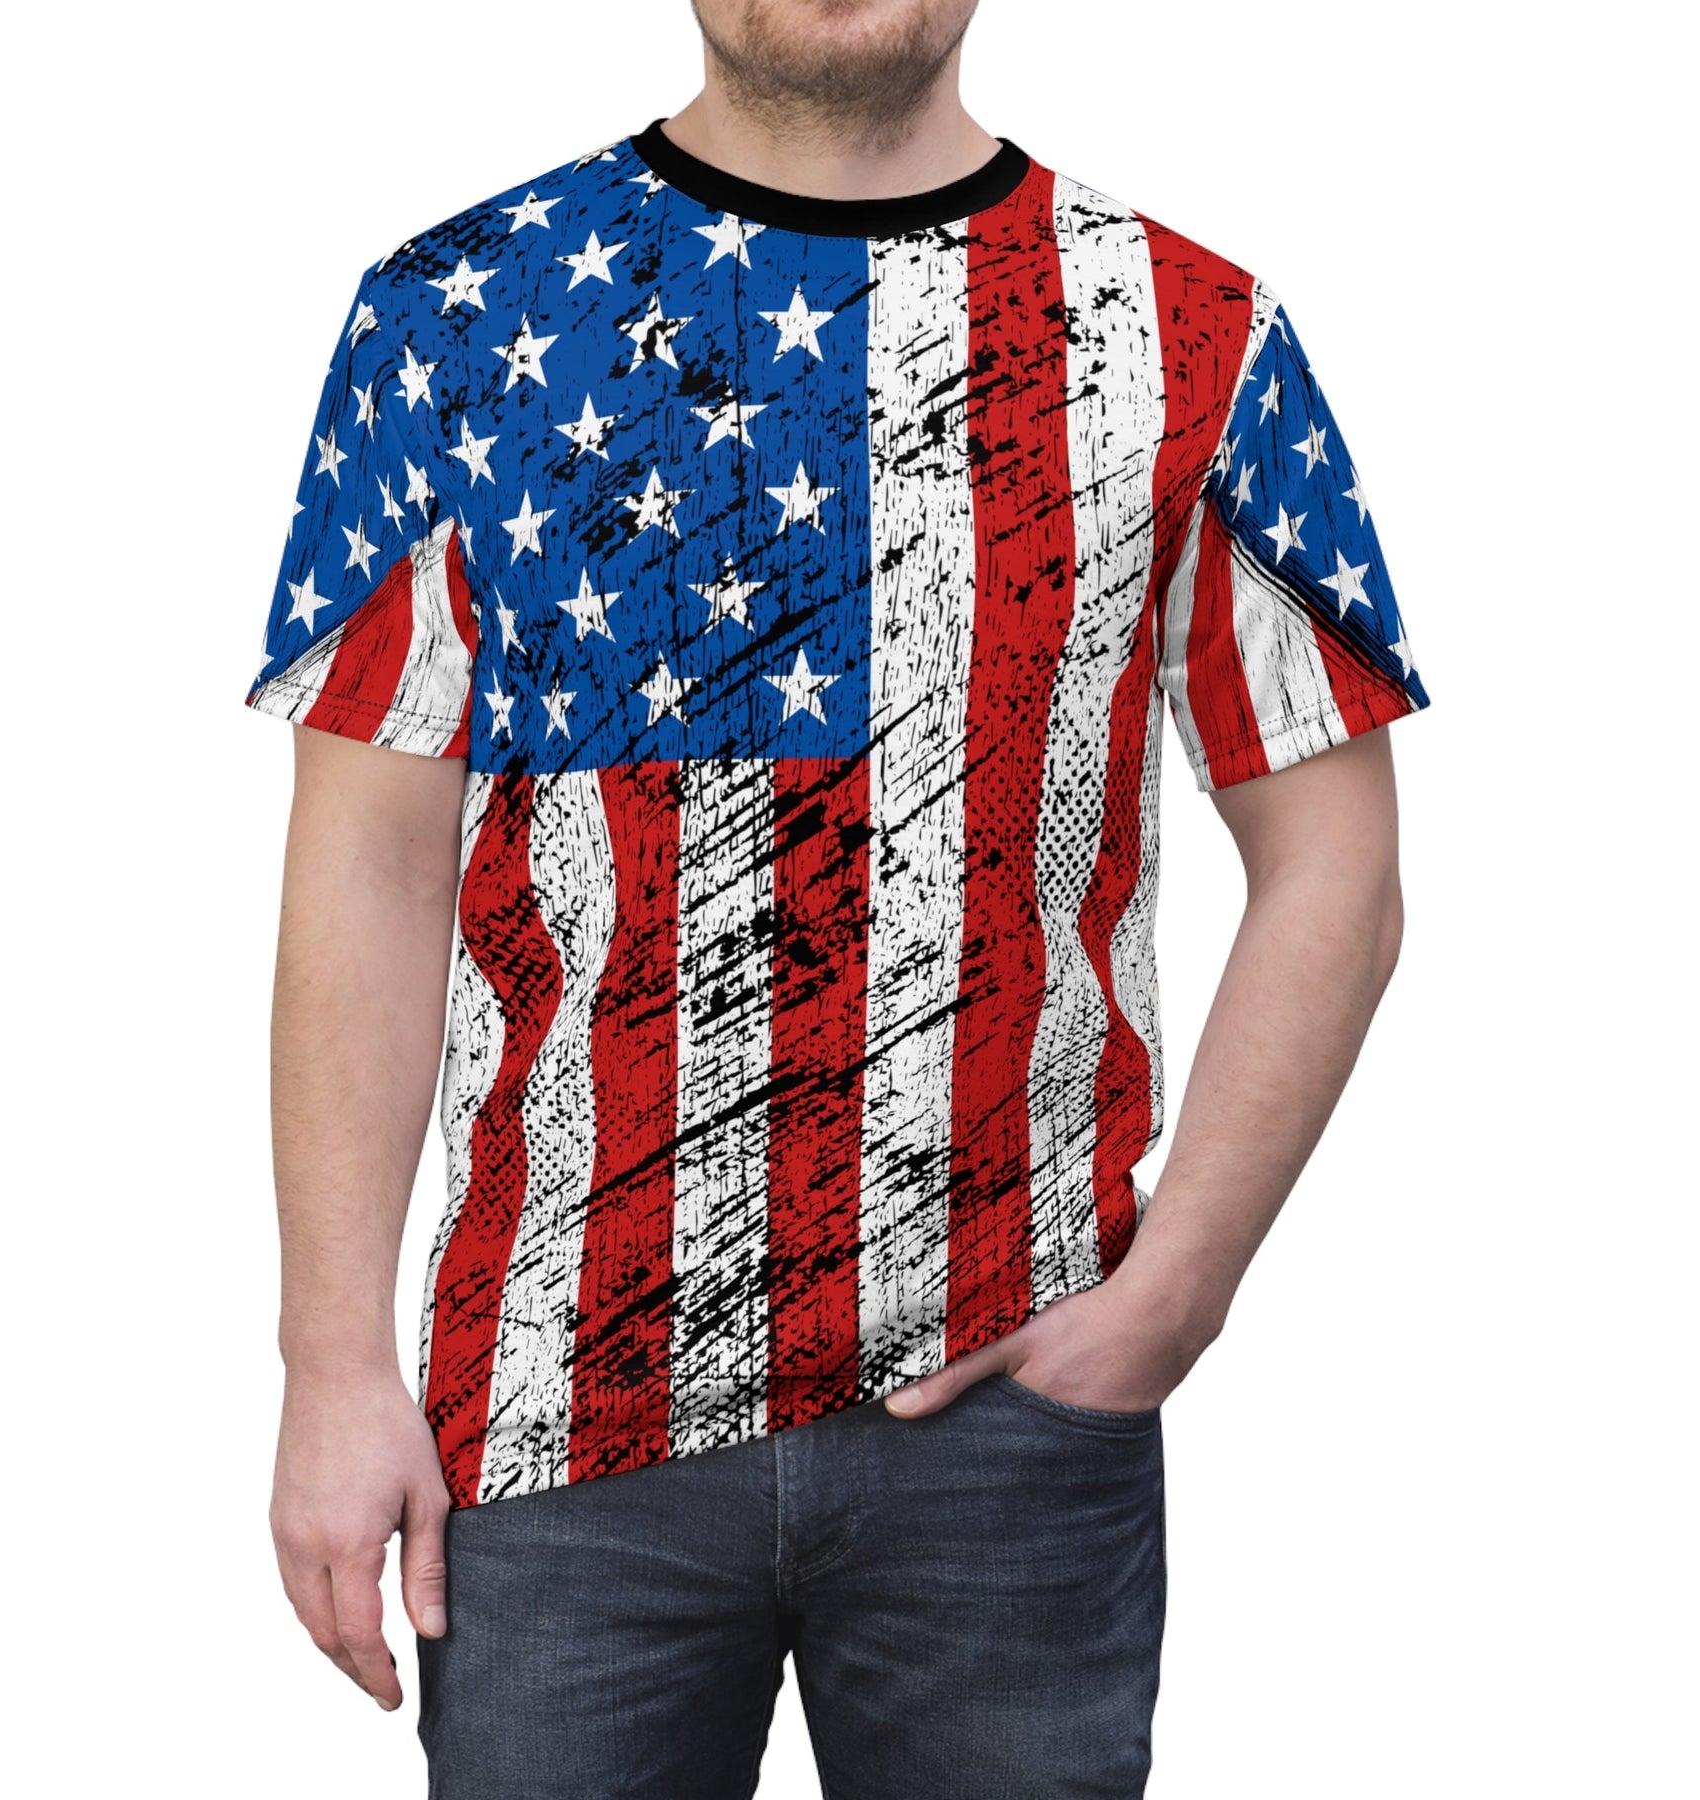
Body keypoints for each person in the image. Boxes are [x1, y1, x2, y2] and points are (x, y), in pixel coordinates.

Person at [248, 3, 1428, 1793]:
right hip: (555, 1428)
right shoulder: (457, 315)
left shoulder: (1192, 330)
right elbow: (371, 863)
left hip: (1015, 1420)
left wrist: (1177, 1292)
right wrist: (330, 1363)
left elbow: (1337, 857)